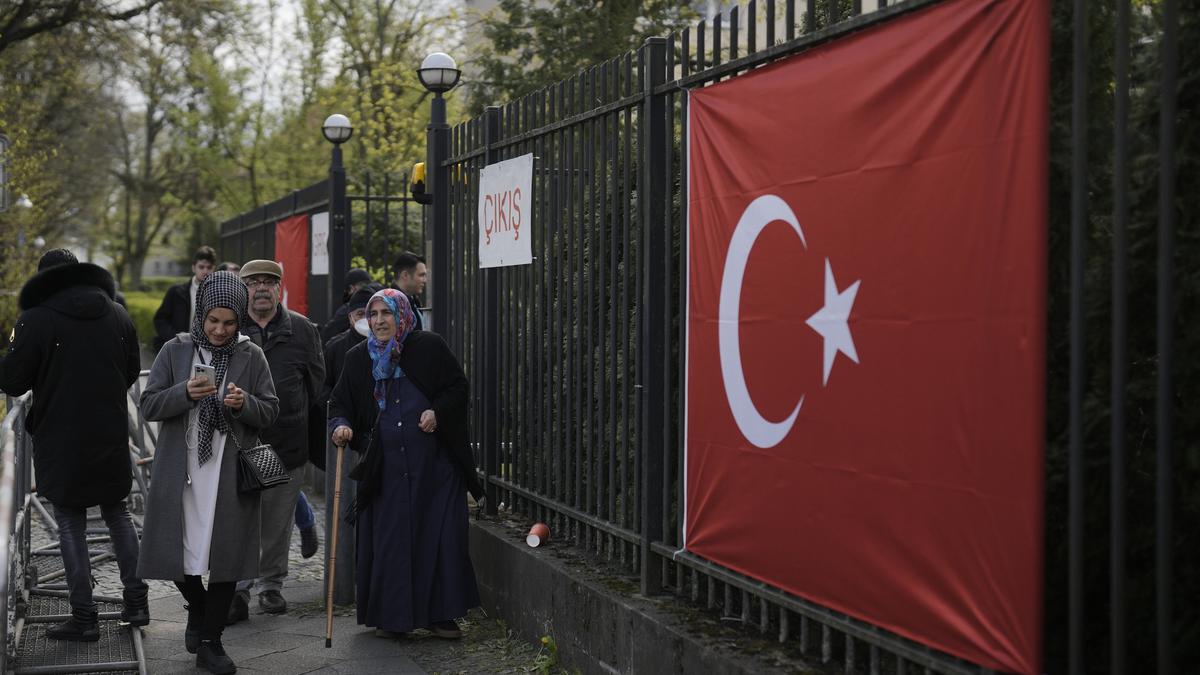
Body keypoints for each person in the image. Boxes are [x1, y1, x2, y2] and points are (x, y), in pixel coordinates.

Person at [0, 249, 149, 641]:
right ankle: (136, 602)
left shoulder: (36, 319)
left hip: (61, 435)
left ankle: (85, 617)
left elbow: (13, 382)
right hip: (110, 432)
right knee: (118, 514)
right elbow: (131, 370)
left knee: (70, 521)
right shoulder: (117, 313)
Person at [138, 271, 278, 674]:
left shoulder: (251, 355)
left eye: (229, 322)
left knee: (225, 557)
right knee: (176, 550)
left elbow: (270, 410)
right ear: (200, 315)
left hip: (227, 471)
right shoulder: (175, 349)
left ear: (239, 320)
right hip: (180, 473)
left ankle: (211, 643)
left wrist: (243, 402)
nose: (219, 330)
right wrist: (183, 393)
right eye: (213, 321)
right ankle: (198, 613)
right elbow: (148, 405)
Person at [329, 288, 483, 638]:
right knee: (392, 540)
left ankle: (439, 614)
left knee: (439, 537)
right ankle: (393, 615)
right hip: (384, 469)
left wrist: (437, 411)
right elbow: (339, 403)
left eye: (387, 313)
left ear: (403, 315)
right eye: (375, 314)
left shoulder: (429, 346)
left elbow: (457, 388)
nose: (380, 321)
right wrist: (341, 425)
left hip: (434, 466)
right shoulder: (357, 358)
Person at [229, 259, 324, 622]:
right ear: (244, 289)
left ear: (279, 287)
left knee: (276, 520)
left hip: (284, 441)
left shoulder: (302, 329)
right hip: (242, 442)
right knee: (241, 519)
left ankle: (270, 587)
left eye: (270, 281)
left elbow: (317, 384)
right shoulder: (231, 327)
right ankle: (238, 587)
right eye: (254, 282)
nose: (262, 288)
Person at [154, 245, 217, 351]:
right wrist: (176, 338)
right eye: (201, 267)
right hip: (179, 348)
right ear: (193, 267)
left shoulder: (218, 294)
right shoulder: (176, 292)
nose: (205, 271)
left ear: (214, 268)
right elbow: (160, 319)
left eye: (209, 267)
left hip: (208, 349)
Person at [321, 268, 373, 342]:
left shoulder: (375, 303)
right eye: (362, 285)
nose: (366, 287)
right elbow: (329, 333)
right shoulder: (345, 310)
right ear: (351, 288)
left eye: (368, 284)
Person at [391, 252, 428, 331]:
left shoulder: (413, 301)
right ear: (405, 275)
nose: (425, 280)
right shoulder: (391, 305)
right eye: (421, 275)